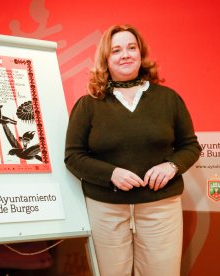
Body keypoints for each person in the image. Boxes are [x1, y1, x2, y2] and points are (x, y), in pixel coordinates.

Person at [65, 24, 201, 276]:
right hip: (105, 210)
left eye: (131, 47)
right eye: (116, 50)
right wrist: (110, 173)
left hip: (160, 209)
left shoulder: (168, 99)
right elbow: (73, 156)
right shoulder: (88, 105)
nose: (125, 54)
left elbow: (190, 146)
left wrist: (172, 165)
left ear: (141, 54)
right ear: (106, 58)